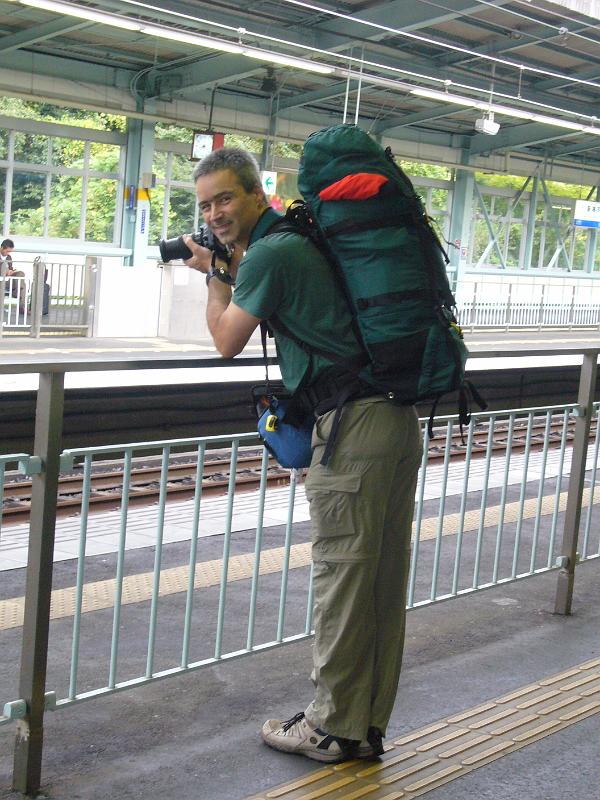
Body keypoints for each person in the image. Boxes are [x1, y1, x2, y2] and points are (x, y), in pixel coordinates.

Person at [184, 147, 422, 763]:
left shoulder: (270, 253)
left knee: (343, 580)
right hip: (394, 419)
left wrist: (214, 273)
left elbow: (224, 341)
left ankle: (329, 728)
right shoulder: (300, 238)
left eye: (226, 198)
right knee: (377, 585)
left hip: (352, 431)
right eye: (206, 204)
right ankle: (363, 723)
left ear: (256, 193)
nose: (215, 213)